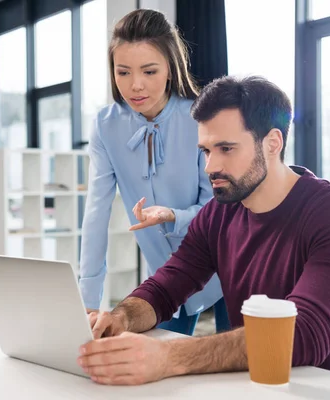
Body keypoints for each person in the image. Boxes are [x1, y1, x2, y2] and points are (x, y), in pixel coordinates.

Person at [76, 75, 330, 385]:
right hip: (251, 388)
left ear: (272, 143)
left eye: (226, 149)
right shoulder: (218, 214)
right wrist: (121, 318)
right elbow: (165, 289)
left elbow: (304, 334)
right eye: (206, 150)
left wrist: (169, 357)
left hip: (329, 392)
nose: (210, 167)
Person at [79, 8, 228, 336]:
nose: (136, 86)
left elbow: (219, 208)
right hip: (166, 276)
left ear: (171, 68)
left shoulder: (202, 117)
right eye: (123, 72)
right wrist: (87, 298)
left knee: (244, 368)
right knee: (160, 373)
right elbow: (96, 211)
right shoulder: (106, 126)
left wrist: (173, 215)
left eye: (149, 71)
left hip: (227, 261)